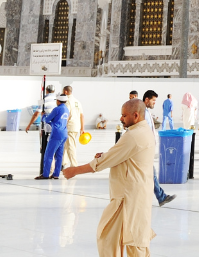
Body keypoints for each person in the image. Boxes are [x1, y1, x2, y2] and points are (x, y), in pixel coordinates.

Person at [62, 100, 157, 257]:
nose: (121, 118)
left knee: (127, 240)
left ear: (136, 115)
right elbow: (120, 156)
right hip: (133, 194)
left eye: (124, 115)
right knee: (131, 239)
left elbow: (105, 161)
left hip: (128, 198)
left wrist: (74, 171)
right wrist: (107, 155)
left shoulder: (134, 135)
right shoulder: (143, 130)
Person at [138, 91, 175, 207]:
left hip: (147, 148)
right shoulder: (142, 112)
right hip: (144, 149)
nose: (154, 103)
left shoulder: (147, 111)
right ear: (147, 100)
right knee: (150, 174)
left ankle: (160, 197)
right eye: (153, 100)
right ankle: (160, 197)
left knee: (149, 174)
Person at [39, 94, 71, 180]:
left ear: (58, 101)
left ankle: (45, 174)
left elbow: (47, 119)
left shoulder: (57, 109)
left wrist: (43, 116)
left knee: (48, 155)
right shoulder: (66, 109)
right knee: (59, 155)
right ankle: (56, 174)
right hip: (64, 133)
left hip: (56, 133)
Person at [24, 84, 59, 157]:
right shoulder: (57, 99)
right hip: (57, 126)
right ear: (54, 91)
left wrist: (29, 125)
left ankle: (43, 149)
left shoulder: (42, 100)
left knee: (45, 144)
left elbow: (36, 114)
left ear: (46, 91)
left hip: (46, 126)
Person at [62, 85, 84, 169]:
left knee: (70, 145)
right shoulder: (77, 101)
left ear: (65, 92)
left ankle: (74, 165)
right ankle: (63, 162)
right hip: (76, 126)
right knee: (67, 145)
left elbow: (67, 114)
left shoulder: (67, 101)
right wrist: (82, 128)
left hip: (69, 126)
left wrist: (62, 124)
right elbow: (82, 115)